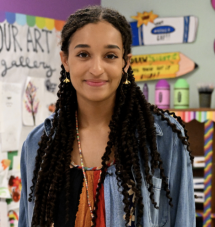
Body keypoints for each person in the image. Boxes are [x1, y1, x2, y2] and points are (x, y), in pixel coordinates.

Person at [19, 5, 195, 227]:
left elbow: (183, 220)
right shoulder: (37, 144)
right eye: (83, 54)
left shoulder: (165, 138)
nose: (97, 68)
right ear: (65, 60)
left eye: (110, 56)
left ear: (125, 63)